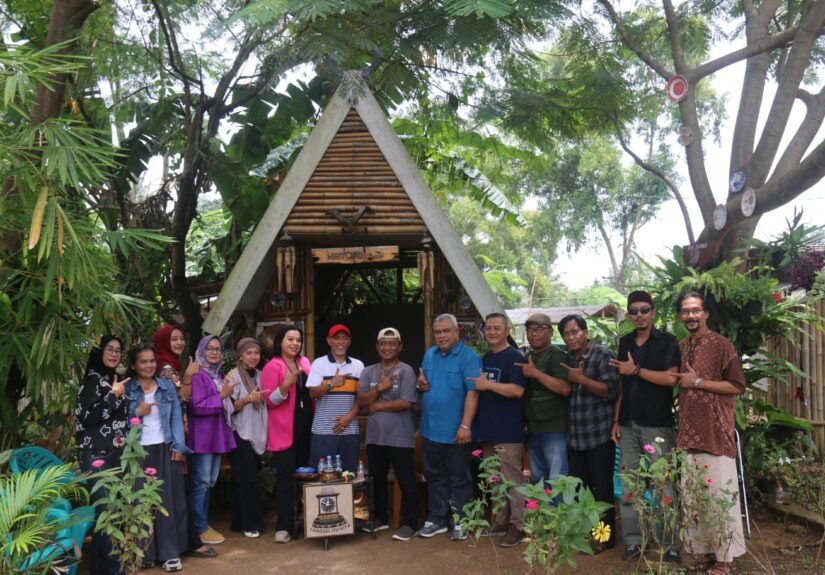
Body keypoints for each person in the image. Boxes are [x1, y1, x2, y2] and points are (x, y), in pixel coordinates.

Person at [675, 292, 747, 575]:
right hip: (689, 435)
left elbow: (737, 386)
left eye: (695, 311)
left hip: (716, 434)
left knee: (719, 496)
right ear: (681, 316)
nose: (690, 316)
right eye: (685, 311)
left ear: (706, 314)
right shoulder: (680, 347)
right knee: (695, 499)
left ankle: (726, 559)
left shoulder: (721, 345)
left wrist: (699, 382)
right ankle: (705, 553)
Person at [609, 291, 681, 563]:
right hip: (627, 424)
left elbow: (671, 378)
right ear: (629, 315)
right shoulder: (625, 342)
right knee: (631, 485)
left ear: (653, 313)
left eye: (644, 310)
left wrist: (636, 370)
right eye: (634, 311)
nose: (639, 315)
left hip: (657, 427)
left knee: (663, 486)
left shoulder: (667, 342)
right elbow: (622, 386)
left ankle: (670, 543)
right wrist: (616, 420)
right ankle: (635, 542)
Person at [150, 325, 216, 560]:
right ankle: (186, 541)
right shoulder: (167, 367)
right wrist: (188, 376)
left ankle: (185, 540)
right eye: (173, 339)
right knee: (178, 489)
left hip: (175, 432)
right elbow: (177, 401)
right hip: (171, 435)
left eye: (181, 338)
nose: (178, 342)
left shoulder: (171, 364)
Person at [416, 313, 481, 541]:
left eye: (446, 331)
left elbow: (473, 394)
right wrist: (421, 385)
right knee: (435, 477)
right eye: (438, 332)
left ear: (456, 332)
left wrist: (465, 425)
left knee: (459, 479)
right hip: (430, 429)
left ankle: (462, 520)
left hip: (456, 433)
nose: (441, 335)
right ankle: (437, 519)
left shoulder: (469, 357)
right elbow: (424, 385)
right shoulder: (429, 355)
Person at [125, 343, 189, 573]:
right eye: (143, 361)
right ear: (133, 365)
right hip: (137, 450)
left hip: (164, 446)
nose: (149, 365)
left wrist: (179, 447)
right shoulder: (127, 389)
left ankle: (170, 553)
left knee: (167, 500)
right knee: (141, 502)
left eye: (152, 360)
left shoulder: (166, 387)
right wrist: (136, 411)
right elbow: (119, 421)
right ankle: (147, 552)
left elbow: (175, 418)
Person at [559, 314, 619, 553]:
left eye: (575, 332)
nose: (571, 337)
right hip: (576, 437)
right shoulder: (567, 359)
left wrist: (582, 379)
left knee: (601, 490)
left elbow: (611, 391)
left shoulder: (601, 354)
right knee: (581, 490)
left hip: (599, 436)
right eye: (566, 333)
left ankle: (604, 539)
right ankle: (585, 534)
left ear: (585, 332)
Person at [469, 313, 527, 548]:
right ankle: (502, 520)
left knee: (512, 481)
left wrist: (488, 385)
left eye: (496, 328)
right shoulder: (485, 357)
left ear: (507, 331)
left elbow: (518, 391)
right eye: (488, 328)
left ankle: (518, 526)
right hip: (489, 431)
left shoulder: (514, 357)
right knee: (494, 480)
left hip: (509, 431)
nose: (491, 332)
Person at [356, 327, 418, 541]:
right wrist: (381, 388)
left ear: (400, 347)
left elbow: (406, 402)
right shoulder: (368, 371)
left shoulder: (407, 371)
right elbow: (362, 401)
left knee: (406, 480)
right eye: (383, 343)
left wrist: (379, 406)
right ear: (377, 347)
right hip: (375, 436)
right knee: (377, 479)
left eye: (392, 343)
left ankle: (410, 523)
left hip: (400, 436)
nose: (387, 347)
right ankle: (380, 518)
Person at [75, 335, 129, 575]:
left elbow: (116, 417)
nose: (115, 354)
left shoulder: (111, 379)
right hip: (97, 454)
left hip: (114, 453)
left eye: (118, 350)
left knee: (109, 512)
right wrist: (113, 394)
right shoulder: (91, 381)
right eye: (110, 349)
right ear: (99, 352)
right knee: (107, 512)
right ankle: (112, 570)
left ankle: (101, 569)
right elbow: (87, 418)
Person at [261, 325, 312, 544]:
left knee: (306, 475)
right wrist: (284, 386)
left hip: (307, 428)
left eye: (298, 340)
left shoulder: (305, 362)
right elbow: (269, 401)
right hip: (285, 430)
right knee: (285, 478)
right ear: (280, 341)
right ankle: (283, 526)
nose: (295, 343)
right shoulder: (273, 367)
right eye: (290, 339)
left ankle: (305, 521)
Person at [186, 335, 236, 546]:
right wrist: (223, 395)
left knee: (209, 482)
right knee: (201, 483)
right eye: (210, 349)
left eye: (218, 349)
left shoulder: (216, 374)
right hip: (202, 437)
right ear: (201, 351)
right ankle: (199, 528)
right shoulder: (198, 374)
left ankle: (202, 524)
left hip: (215, 435)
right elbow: (197, 405)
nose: (215, 352)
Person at [516, 313, 571, 488]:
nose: (533, 334)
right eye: (530, 330)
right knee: (538, 480)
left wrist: (536, 374)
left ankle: (558, 516)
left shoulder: (557, 356)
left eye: (539, 329)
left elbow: (565, 388)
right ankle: (543, 515)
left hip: (554, 430)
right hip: (533, 428)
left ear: (551, 332)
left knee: (557, 481)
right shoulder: (528, 356)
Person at [306, 324, 364, 473]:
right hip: (323, 432)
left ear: (349, 341)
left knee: (348, 476)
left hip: (350, 431)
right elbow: (312, 393)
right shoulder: (319, 364)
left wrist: (348, 418)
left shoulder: (358, 366)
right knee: (321, 478)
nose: (341, 342)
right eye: (336, 338)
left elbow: (362, 399)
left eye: (345, 338)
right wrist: (332, 384)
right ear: (329, 341)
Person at [226, 338, 267, 538]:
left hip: (257, 432)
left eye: (256, 353)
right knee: (245, 479)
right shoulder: (233, 377)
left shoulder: (262, 375)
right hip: (239, 433)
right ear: (240, 356)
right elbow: (229, 407)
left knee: (249, 478)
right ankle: (248, 523)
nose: (253, 357)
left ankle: (240, 521)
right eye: (249, 353)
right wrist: (248, 399)